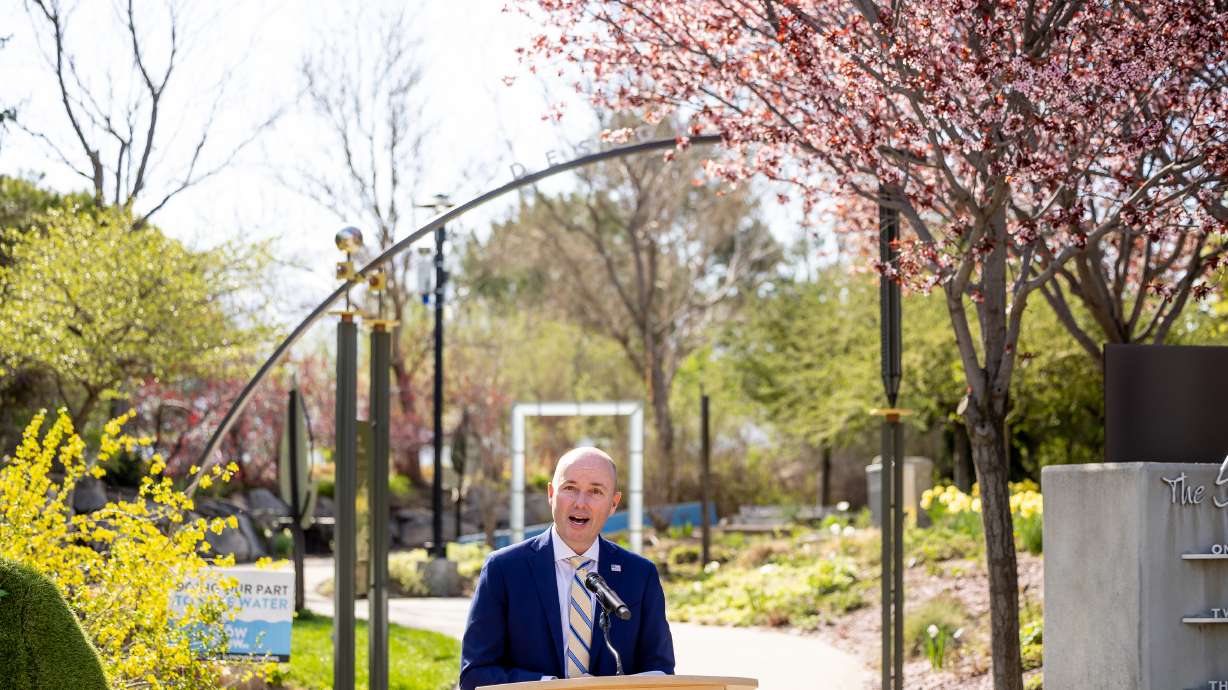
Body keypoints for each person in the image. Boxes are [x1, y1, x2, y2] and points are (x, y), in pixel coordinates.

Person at [459, 447, 675, 688]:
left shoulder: (640, 575)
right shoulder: (503, 569)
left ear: (614, 503)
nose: (580, 503)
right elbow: (475, 674)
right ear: (551, 494)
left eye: (595, 491)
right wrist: (552, 687)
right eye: (570, 488)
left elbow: (661, 673)